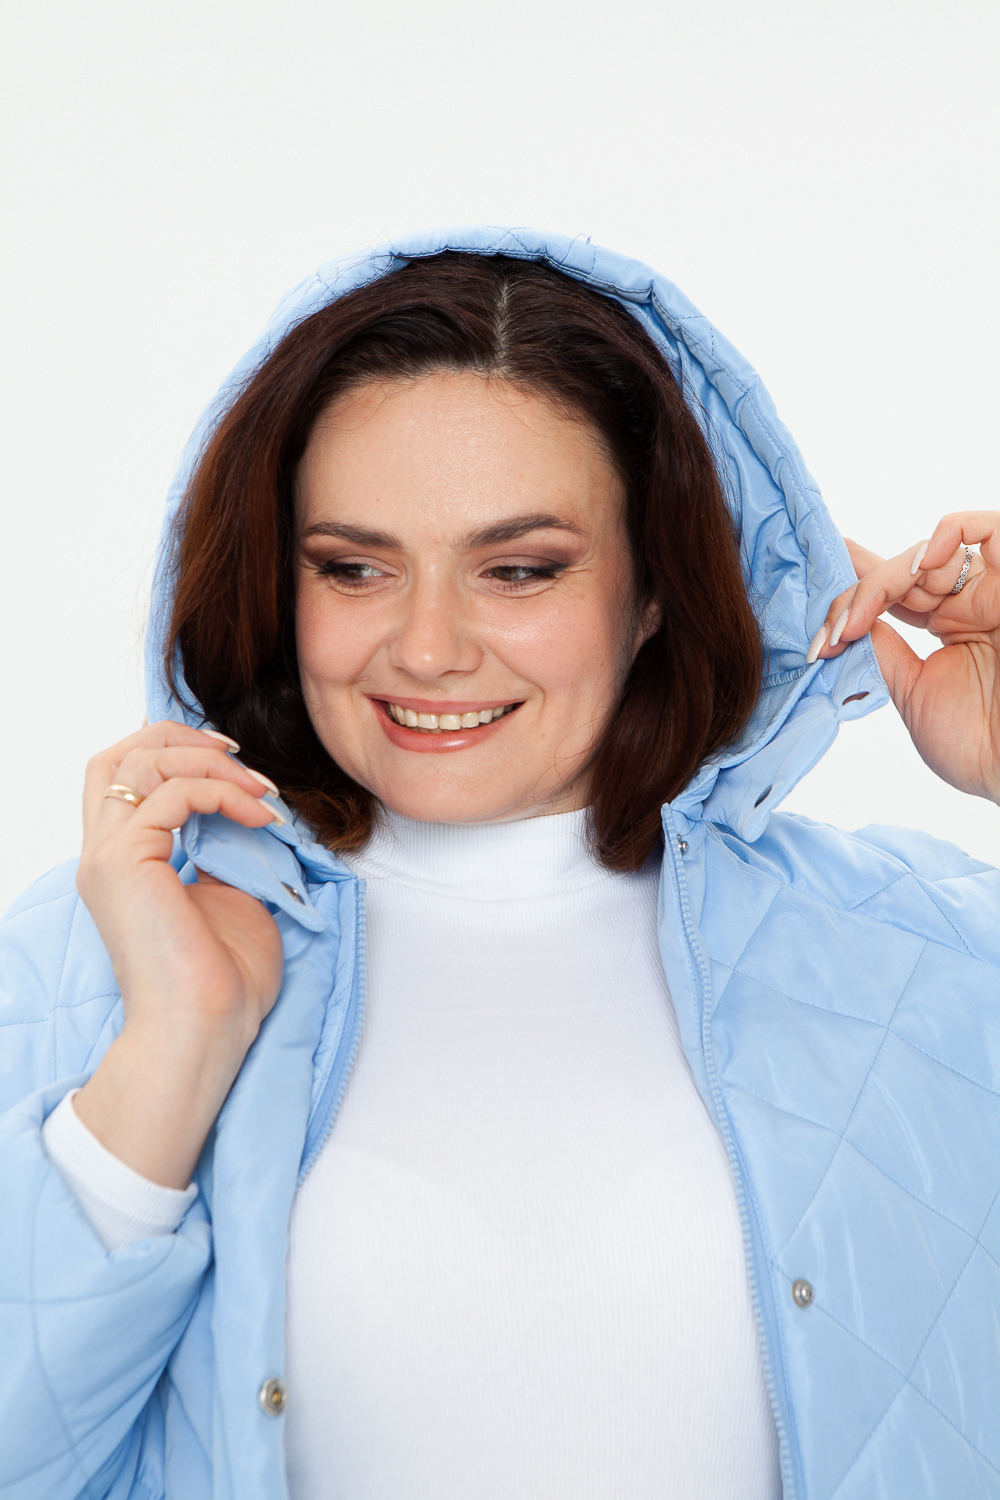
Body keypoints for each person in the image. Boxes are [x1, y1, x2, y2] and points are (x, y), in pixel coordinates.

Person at [1, 227, 998, 1500]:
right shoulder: (96, 956)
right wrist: (173, 1052)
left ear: (654, 589)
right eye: (354, 568)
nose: (426, 648)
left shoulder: (929, 952)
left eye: (518, 570)